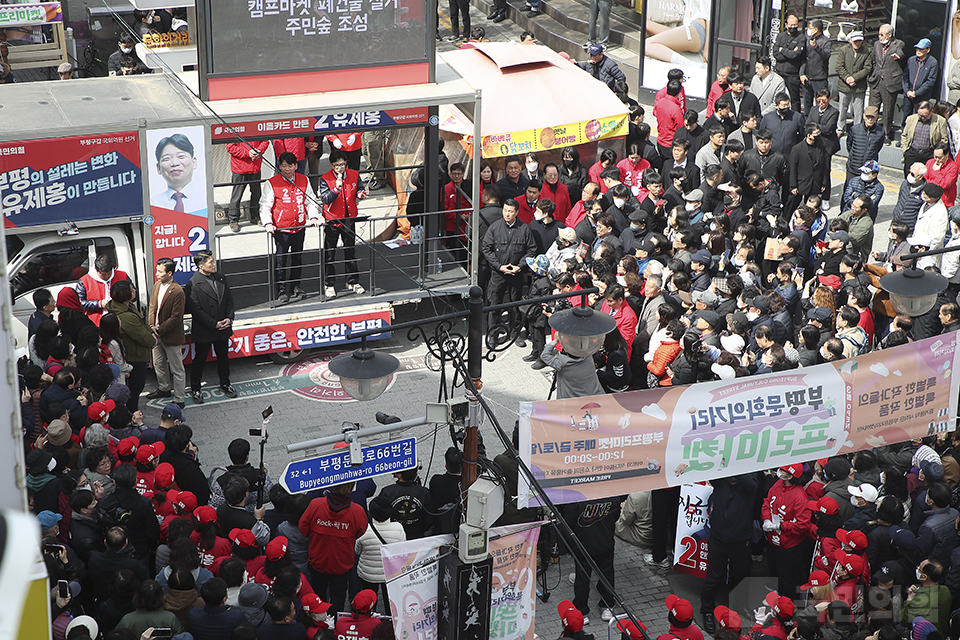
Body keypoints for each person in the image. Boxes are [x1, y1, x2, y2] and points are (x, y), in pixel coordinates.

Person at [699, 473, 757, 633]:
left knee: (741, 575)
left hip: (740, 540)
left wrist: (737, 467)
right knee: (713, 576)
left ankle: (739, 605)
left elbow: (750, 483)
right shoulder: (719, 483)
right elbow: (712, 471)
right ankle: (707, 611)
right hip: (718, 538)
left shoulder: (749, 486)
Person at [299, 482, 368, 615]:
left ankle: (319, 621)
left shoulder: (315, 505)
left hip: (317, 561)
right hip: (342, 564)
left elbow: (303, 529)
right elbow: (360, 532)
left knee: (318, 595)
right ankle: (336, 626)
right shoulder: (357, 511)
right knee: (338, 597)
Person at [261, 151, 320, 304]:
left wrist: (313, 217)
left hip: (299, 228)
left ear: (296, 166)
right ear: (279, 166)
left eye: (290, 166)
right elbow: (265, 205)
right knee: (281, 260)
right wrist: (268, 223)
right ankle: (281, 288)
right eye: (283, 166)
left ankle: (296, 285)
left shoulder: (303, 179)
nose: (286, 169)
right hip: (281, 230)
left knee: (297, 258)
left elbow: (311, 201)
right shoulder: (272, 182)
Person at [187, 250, 237, 405]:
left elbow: (229, 299)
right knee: (200, 360)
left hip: (223, 327)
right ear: (201, 266)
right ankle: (195, 388)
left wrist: (229, 318)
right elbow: (195, 310)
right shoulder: (193, 284)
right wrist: (214, 324)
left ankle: (225, 383)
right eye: (211, 262)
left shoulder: (221, 277)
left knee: (223, 358)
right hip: (206, 329)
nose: (214, 264)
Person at [482, 199, 537, 335]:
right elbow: (486, 249)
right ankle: (493, 334)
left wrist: (520, 266)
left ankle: (515, 332)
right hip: (498, 274)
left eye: (510, 211)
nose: (507, 214)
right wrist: (499, 266)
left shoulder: (524, 229)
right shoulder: (494, 228)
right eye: (505, 210)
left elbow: (531, 250)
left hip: (516, 274)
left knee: (515, 304)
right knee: (494, 304)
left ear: (516, 212)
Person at [565, 495, 622, 623]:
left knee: (582, 577)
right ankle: (607, 605)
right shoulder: (612, 497)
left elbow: (568, 521)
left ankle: (582, 611)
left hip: (583, 544)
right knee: (606, 572)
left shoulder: (576, 499)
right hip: (605, 541)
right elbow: (615, 516)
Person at [319, 149, 368, 299]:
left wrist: (361, 194)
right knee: (329, 254)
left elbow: (358, 188)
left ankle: (352, 281)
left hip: (349, 219)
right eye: (336, 165)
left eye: (342, 164)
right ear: (331, 165)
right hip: (333, 220)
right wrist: (336, 188)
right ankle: (329, 284)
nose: (340, 168)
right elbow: (325, 198)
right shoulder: (325, 178)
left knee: (350, 251)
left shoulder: (353, 174)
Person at [105, 280, 155, 412]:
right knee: (134, 390)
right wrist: (153, 339)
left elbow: (143, 326)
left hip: (135, 355)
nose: (135, 291)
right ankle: (132, 416)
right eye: (132, 289)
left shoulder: (128, 306)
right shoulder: (126, 316)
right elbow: (143, 337)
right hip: (135, 357)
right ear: (125, 294)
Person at [146, 257, 186, 409]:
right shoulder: (157, 285)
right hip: (156, 334)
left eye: (160, 271)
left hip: (170, 336)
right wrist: (151, 325)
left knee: (177, 369)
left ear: (169, 273)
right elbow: (152, 307)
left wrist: (160, 329)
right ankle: (164, 388)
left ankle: (179, 398)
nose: (157, 274)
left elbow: (176, 317)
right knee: (158, 364)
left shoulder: (177, 291)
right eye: (156, 270)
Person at [644, 0, 710, 68]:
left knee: (646, 45)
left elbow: (709, 17)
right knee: (646, 24)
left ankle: (692, 65)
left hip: (697, 29)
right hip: (691, 28)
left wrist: (707, 48)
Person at [869, 24, 906, 143]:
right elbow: (874, 60)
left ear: (889, 35)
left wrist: (898, 56)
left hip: (890, 82)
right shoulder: (876, 45)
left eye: (882, 35)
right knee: (872, 108)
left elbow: (900, 52)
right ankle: (870, 131)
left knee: (888, 110)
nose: (879, 37)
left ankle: (886, 134)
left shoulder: (898, 44)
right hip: (877, 81)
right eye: (879, 34)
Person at [151, 132, 203, 213]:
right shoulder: (153, 204)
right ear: (158, 168)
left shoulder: (205, 198)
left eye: (181, 156)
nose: (175, 163)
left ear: (194, 162)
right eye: (167, 158)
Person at [77, 254, 132, 327]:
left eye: (109, 273)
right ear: (96, 270)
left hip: (122, 320)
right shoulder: (84, 281)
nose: (106, 276)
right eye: (103, 274)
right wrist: (98, 304)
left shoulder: (122, 276)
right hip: (96, 323)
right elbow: (79, 303)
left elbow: (134, 294)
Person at [226, 139, 269, 232]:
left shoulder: (257, 125)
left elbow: (265, 140)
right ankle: (233, 219)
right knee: (237, 195)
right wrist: (247, 153)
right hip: (239, 168)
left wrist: (259, 150)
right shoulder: (234, 126)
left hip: (255, 166)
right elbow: (230, 146)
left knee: (256, 193)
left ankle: (255, 216)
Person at [836, 31, 872, 136]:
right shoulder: (843, 50)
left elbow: (867, 68)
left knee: (858, 110)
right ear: (850, 40)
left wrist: (854, 78)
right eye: (855, 41)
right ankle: (840, 129)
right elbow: (839, 67)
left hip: (859, 85)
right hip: (844, 85)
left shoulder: (867, 52)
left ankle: (857, 130)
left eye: (860, 41)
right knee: (842, 108)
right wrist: (847, 78)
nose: (857, 43)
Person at [844, 107, 885, 190]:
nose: (870, 119)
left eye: (872, 117)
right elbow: (849, 145)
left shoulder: (880, 132)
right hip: (853, 167)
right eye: (867, 117)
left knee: (864, 194)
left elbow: (878, 147)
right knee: (848, 192)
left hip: (868, 170)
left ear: (877, 117)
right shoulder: (855, 129)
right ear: (863, 116)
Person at [902, 102, 947, 177]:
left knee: (927, 177)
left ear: (931, 111)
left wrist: (937, 154)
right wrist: (905, 150)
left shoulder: (940, 121)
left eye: (925, 115)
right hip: (912, 152)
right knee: (909, 176)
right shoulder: (911, 119)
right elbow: (904, 136)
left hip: (929, 154)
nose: (922, 117)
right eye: (920, 115)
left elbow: (944, 139)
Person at [902, 39, 939, 126]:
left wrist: (916, 93)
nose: (918, 51)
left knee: (919, 119)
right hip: (908, 95)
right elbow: (905, 77)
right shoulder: (911, 60)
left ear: (928, 50)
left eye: (921, 49)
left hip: (921, 97)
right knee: (906, 118)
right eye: (917, 49)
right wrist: (907, 91)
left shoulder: (933, 62)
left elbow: (930, 81)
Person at [774, 14, 805, 111]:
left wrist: (782, 50)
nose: (793, 27)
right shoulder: (780, 36)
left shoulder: (801, 38)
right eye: (791, 25)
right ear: (786, 25)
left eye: (795, 25)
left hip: (792, 74)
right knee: (778, 97)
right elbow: (776, 54)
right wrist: (790, 53)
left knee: (794, 98)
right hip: (779, 72)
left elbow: (795, 55)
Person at [800, 20, 830, 116]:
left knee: (821, 104)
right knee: (807, 105)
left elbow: (826, 56)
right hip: (808, 78)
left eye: (810, 28)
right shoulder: (808, 41)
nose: (809, 30)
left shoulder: (825, 41)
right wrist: (802, 74)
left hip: (819, 78)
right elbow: (804, 59)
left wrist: (817, 48)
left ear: (816, 29)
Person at [761, 92, 805, 157]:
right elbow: (762, 133)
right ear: (776, 106)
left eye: (788, 105)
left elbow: (802, 134)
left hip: (790, 154)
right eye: (783, 105)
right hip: (772, 155)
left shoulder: (797, 117)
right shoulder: (767, 118)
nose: (786, 107)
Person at [654, 80, 685, 158]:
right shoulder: (675, 108)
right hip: (670, 143)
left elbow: (655, 113)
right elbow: (681, 127)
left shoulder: (659, 103)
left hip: (660, 140)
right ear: (678, 93)